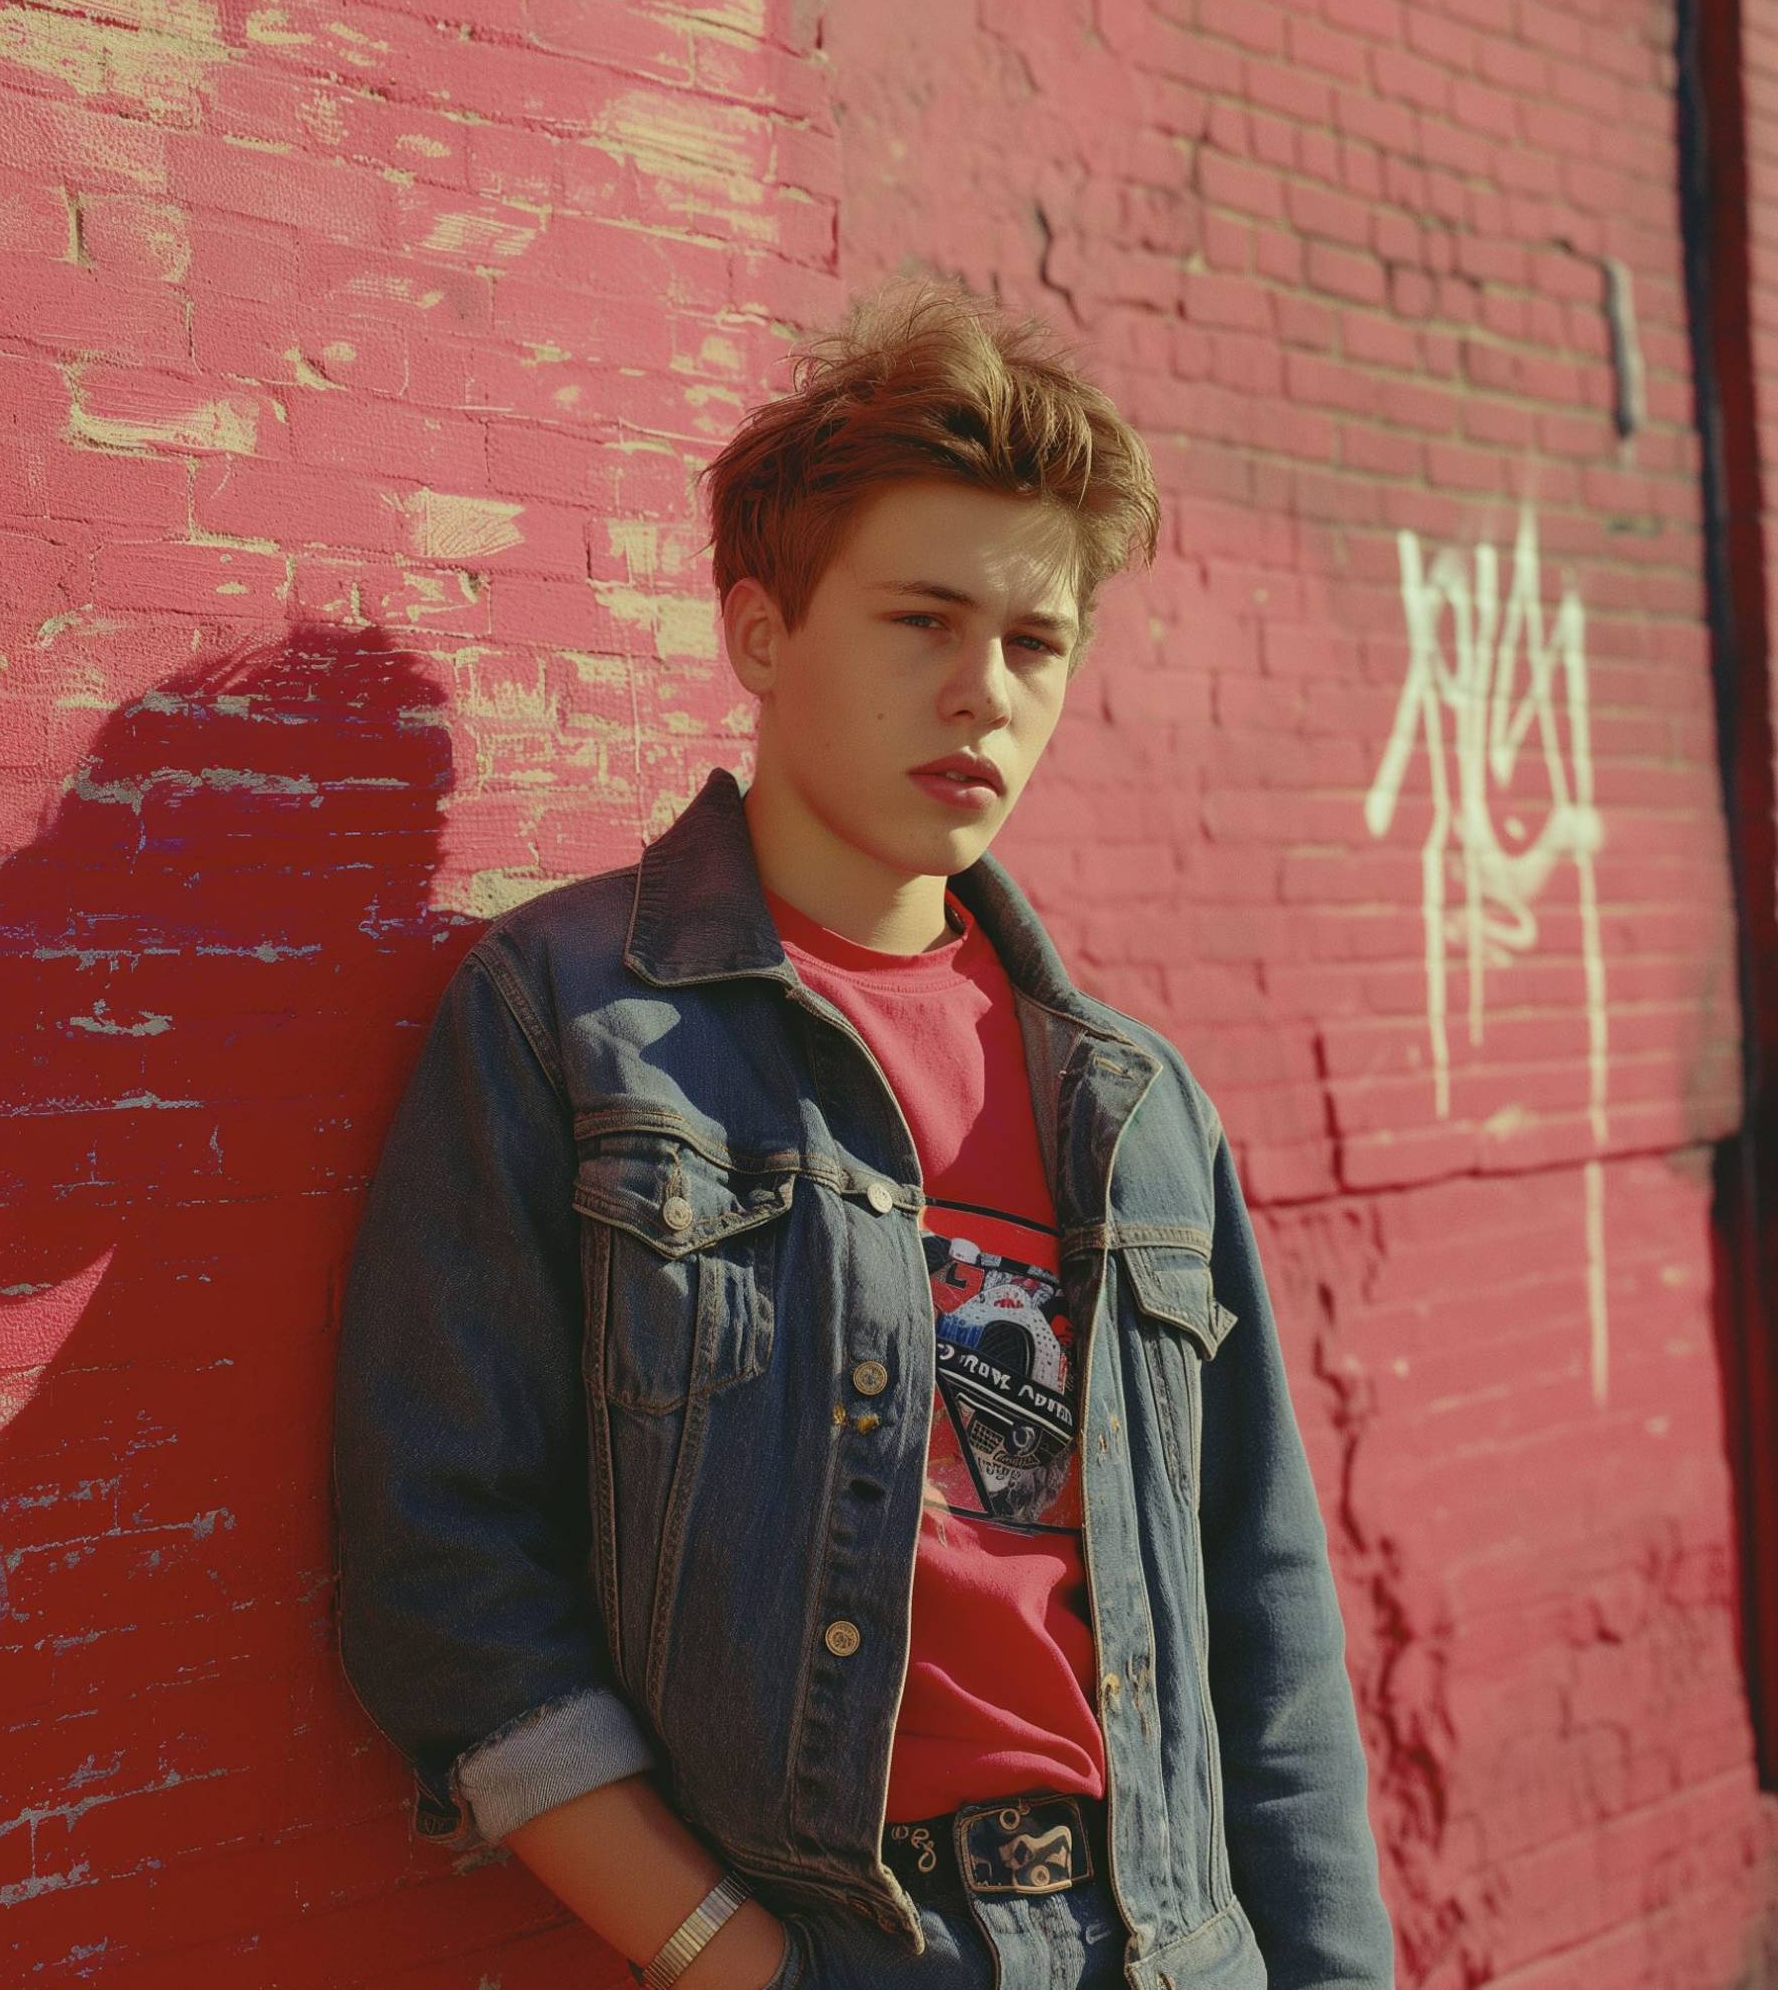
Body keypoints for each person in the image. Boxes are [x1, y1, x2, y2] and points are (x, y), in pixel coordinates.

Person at [332, 275, 1395, 1990]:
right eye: (923, 620)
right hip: (839, 1938)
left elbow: (1265, 1633)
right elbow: (439, 1568)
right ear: (761, 635)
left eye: (1035, 643)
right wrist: (729, 1956)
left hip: (1166, 1940)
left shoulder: (1135, 1106)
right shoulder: (575, 1023)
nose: (985, 692)